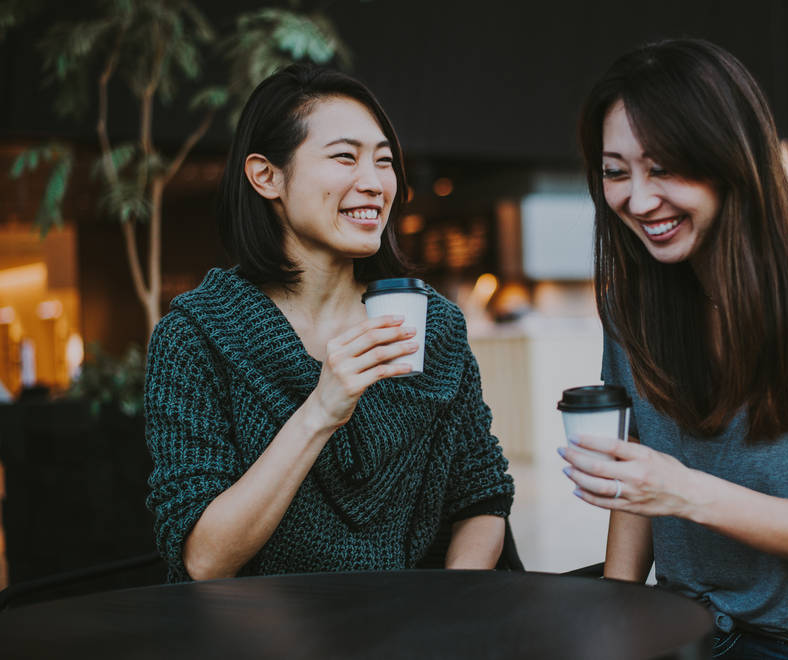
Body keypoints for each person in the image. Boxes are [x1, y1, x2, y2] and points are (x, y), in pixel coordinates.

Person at [560, 39, 788, 658]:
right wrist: (614, 617)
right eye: (616, 172)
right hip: (682, 627)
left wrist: (686, 491)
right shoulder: (633, 305)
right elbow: (638, 489)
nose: (638, 201)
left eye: (663, 168)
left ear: (731, 161)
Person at [145, 64, 513, 583]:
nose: (374, 184)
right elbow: (203, 561)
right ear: (266, 176)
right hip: (252, 625)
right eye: (345, 157)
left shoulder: (434, 326)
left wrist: (447, 608)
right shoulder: (197, 336)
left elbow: (482, 497)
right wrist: (321, 410)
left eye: (384, 161)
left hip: (415, 621)